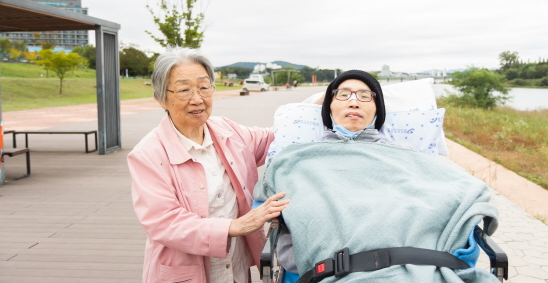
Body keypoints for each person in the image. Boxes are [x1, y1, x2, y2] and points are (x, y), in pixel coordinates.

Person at [255, 70, 499, 282]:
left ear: (377, 110)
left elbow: (456, 192)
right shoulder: (295, 159)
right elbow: (266, 206)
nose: (354, 102)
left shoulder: (408, 155)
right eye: (343, 94)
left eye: (364, 95)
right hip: (335, 268)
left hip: (418, 264)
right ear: (328, 107)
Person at [128, 47, 289, 283]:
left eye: (204, 87)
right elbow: (164, 222)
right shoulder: (148, 154)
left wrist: (331, 106)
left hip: (235, 270)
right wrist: (233, 227)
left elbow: (276, 138)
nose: (197, 99)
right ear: (161, 98)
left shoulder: (228, 131)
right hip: (185, 274)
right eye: (184, 90)